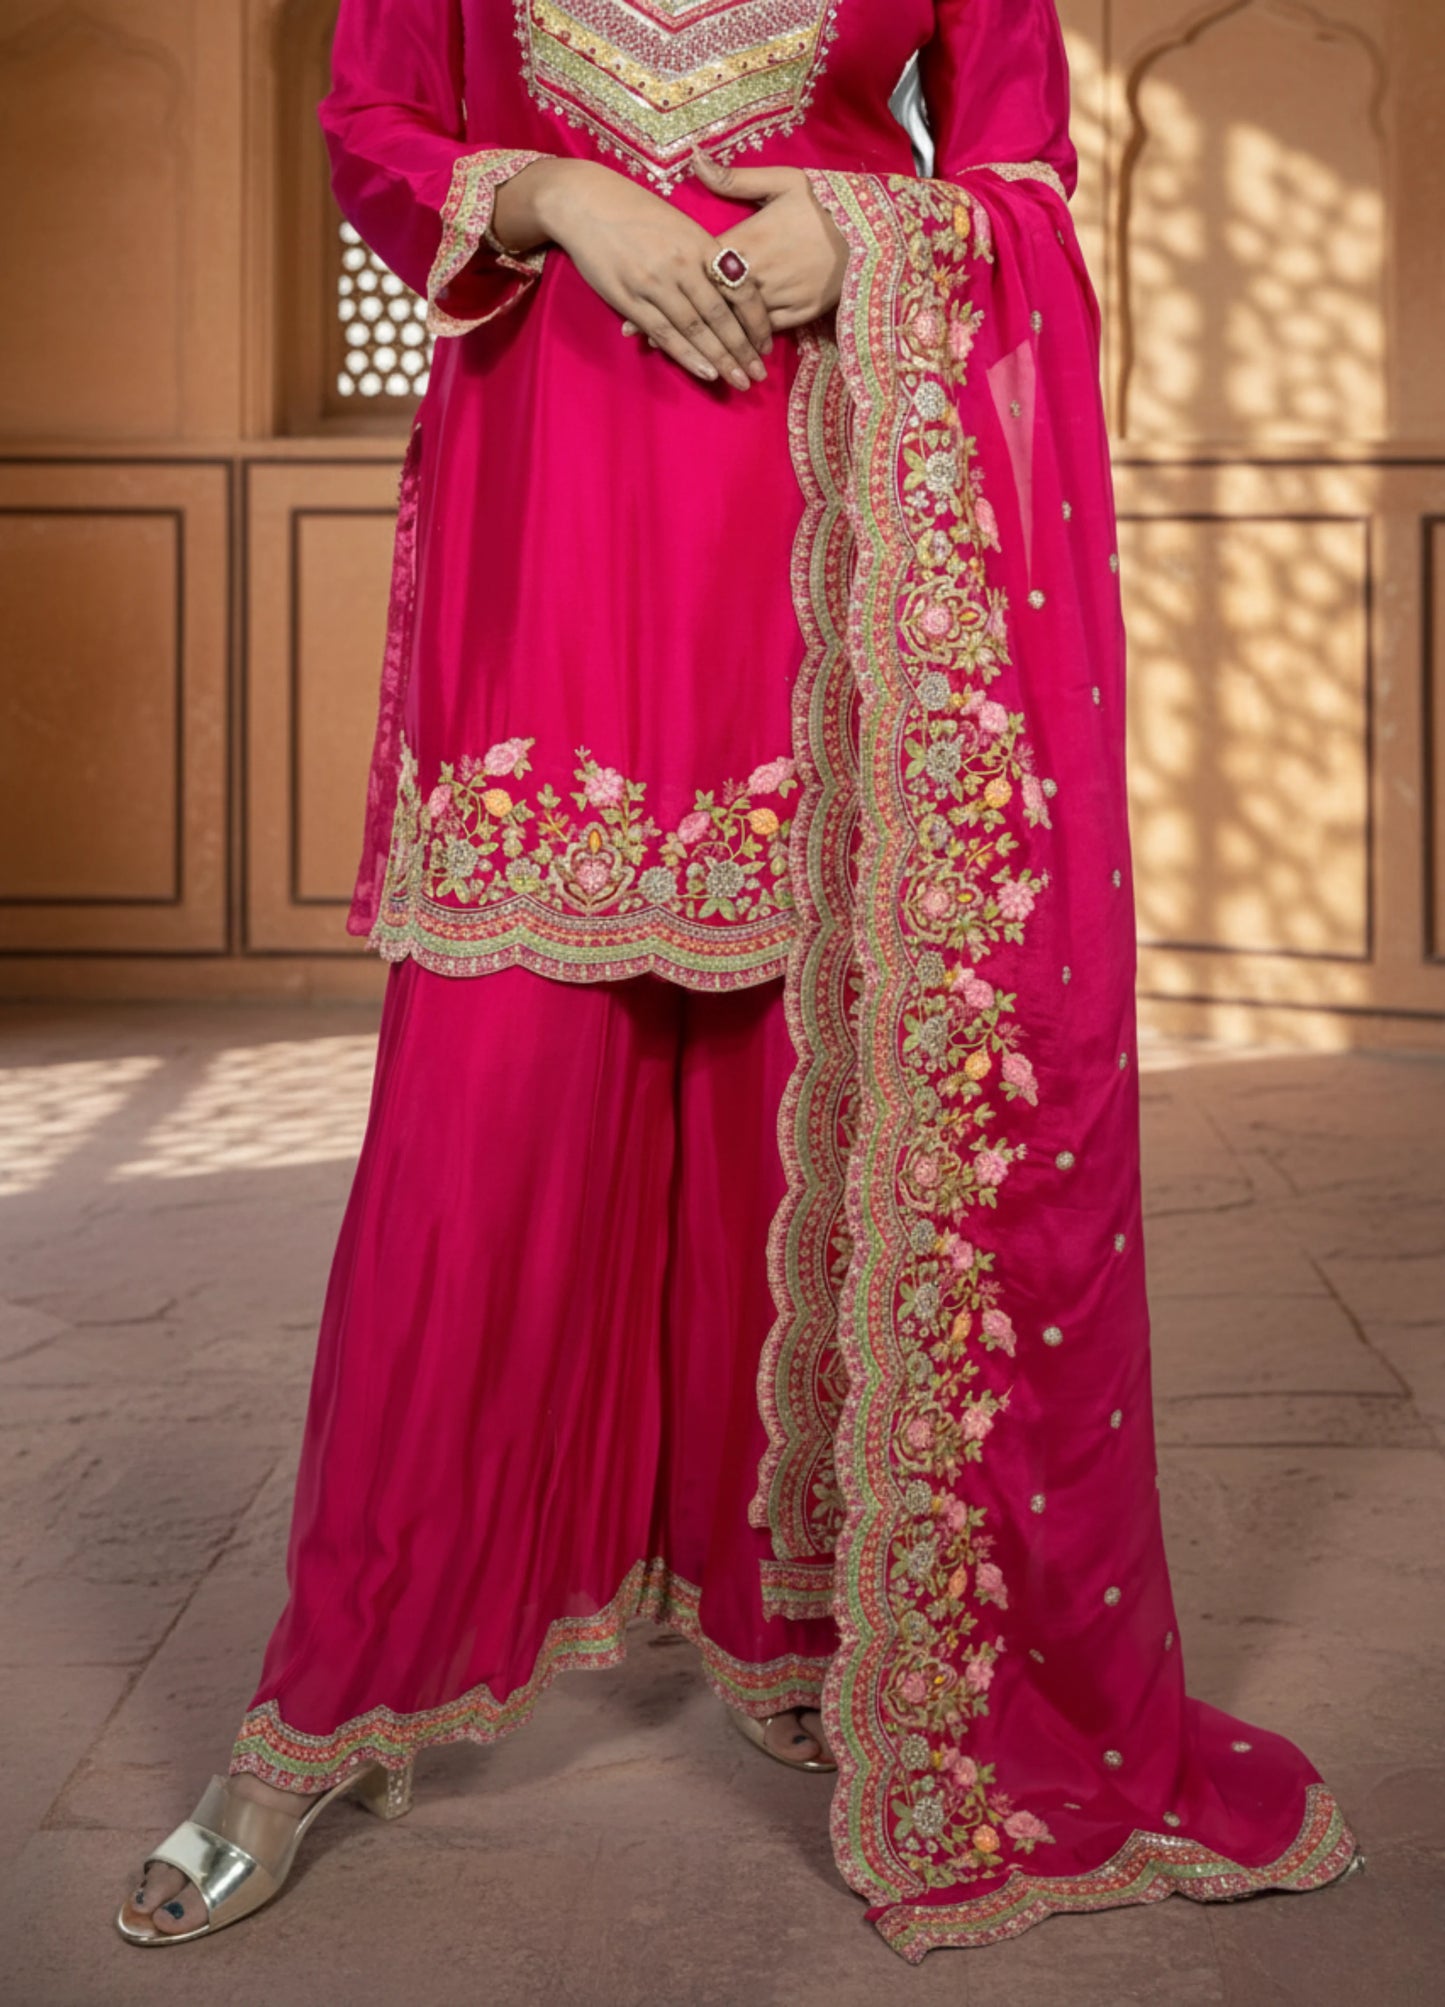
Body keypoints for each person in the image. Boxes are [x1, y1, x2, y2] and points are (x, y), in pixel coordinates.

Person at [118, 0, 1358, 1959]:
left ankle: (798, 1613)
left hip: (836, 570)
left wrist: (869, 231)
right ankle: (323, 1699)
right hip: (562, 542)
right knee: (479, 1140)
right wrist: (548, 196)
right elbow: (371, 120)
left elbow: (1027, 180)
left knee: (822, 1096)